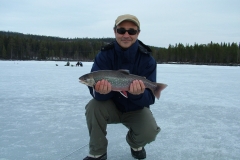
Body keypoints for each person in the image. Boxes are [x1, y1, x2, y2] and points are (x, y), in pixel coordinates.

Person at [83, 14, 161, 160]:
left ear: (138, 33)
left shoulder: (147, 59)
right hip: (110, 107)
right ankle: (97, 152)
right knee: (93, 106)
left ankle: (135, 143)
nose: (126, 35)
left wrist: (137, 94)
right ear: (115, 31)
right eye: (121, 30)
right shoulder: (104, 55)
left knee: (149, 132)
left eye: (131, 31)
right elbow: (96, 95)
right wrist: (100, 92)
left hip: (135, 108)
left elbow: (150, 99)